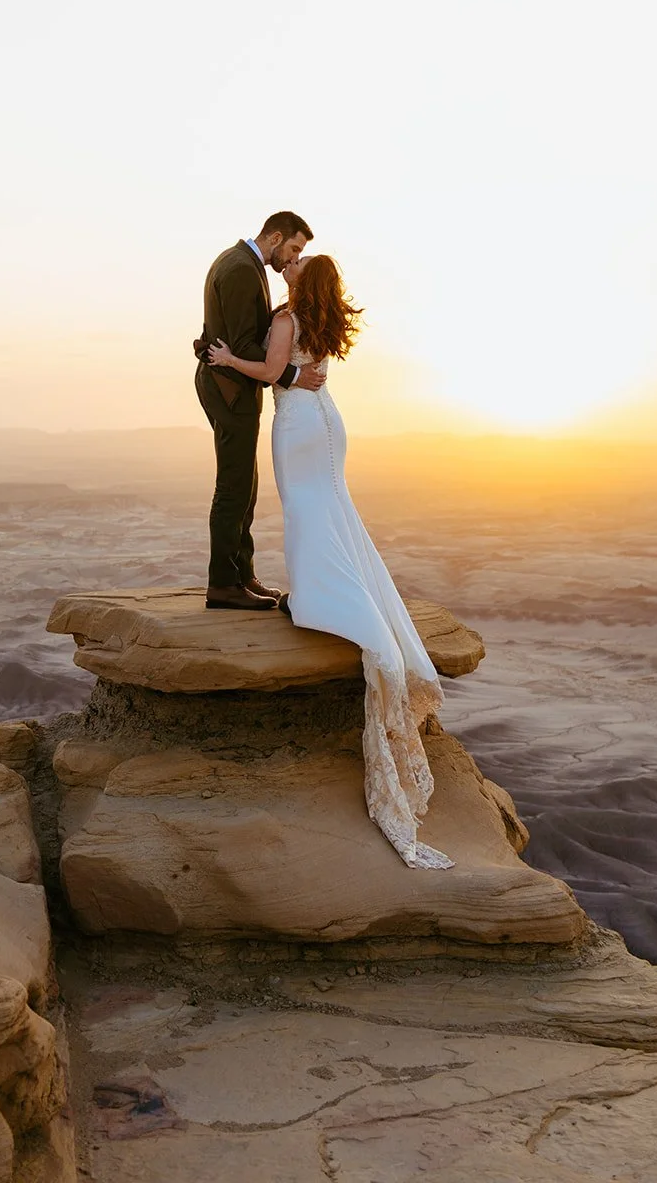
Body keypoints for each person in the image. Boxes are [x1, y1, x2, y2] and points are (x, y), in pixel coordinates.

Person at [208, 255, 454, 869]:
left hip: (297, 425)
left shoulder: (290, 318)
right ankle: (328, 585)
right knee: (329, 506)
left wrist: (225, 360)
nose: (286, 268)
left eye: (295, 266)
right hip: (327, 422)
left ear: (302, 282)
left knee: (307, 509)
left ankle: (322, 595)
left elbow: (270, 371)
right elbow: (294, 371)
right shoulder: (319, 317)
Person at [194, 212, 327, 612]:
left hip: (236, 386)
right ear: (274, 236)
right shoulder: (239, 269)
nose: (293, 259)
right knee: (233, 487)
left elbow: (233, 338)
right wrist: (290, 374)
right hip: (230, 389)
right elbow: (241, 345)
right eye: (294, 248)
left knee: (246, 485)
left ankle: (242, 574)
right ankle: (223, 585)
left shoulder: (244, 265)